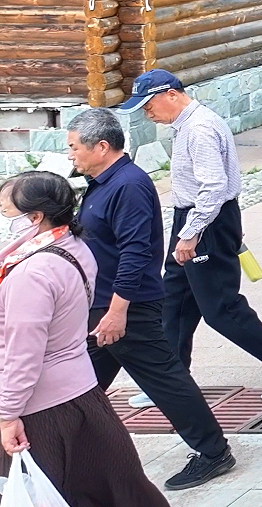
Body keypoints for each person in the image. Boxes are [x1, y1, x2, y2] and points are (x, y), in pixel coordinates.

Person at [115, 69, 262, 403]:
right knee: (174, 300)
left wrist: (191, 233)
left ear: (171, 95)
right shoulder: (186, 125)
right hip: (193, 218)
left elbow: (214, 187)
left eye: (148, 105)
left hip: (206, 223)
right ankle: (170, 380)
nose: (147, 113)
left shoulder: (199, 128)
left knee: (220, 308)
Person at [67, 108, 236, 491]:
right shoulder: (100, 183)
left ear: (102, 147)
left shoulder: (128, 186)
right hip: (102, 307)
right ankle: (61, 449)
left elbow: (135, 253)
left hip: (127, 308)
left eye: (75, 147)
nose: (71, 154)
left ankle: (213, 452)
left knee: (166, 381)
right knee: (78, 382)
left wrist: (117, 312)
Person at [0, 172, 169, 507]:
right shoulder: (72, 246)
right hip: (81, 393)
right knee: (115, 490)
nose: (4, 219)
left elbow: (23, 353)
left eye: (6, 211)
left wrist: (7, 414)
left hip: (42, 409)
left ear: (34, 217)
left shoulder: (32, 272)